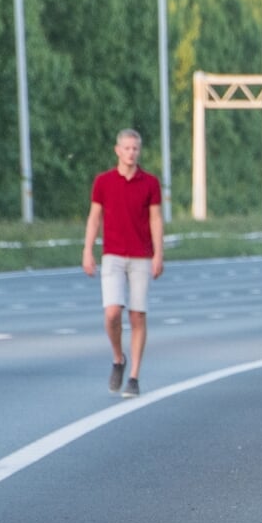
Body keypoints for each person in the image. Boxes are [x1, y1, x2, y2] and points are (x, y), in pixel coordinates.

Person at [82, 129, 164, 398]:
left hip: (140, 254)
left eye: (135, 149)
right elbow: (94, 218)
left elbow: (155, 219)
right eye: (126, 148)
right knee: (112, 312)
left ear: (139, 151)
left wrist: (158, 254)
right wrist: (87, 250)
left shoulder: (150, 183)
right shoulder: (103, 182)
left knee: (137, 314)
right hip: (113, 254)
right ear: (117, 150)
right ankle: (118, 358)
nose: (131, 153)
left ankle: (134, 377)